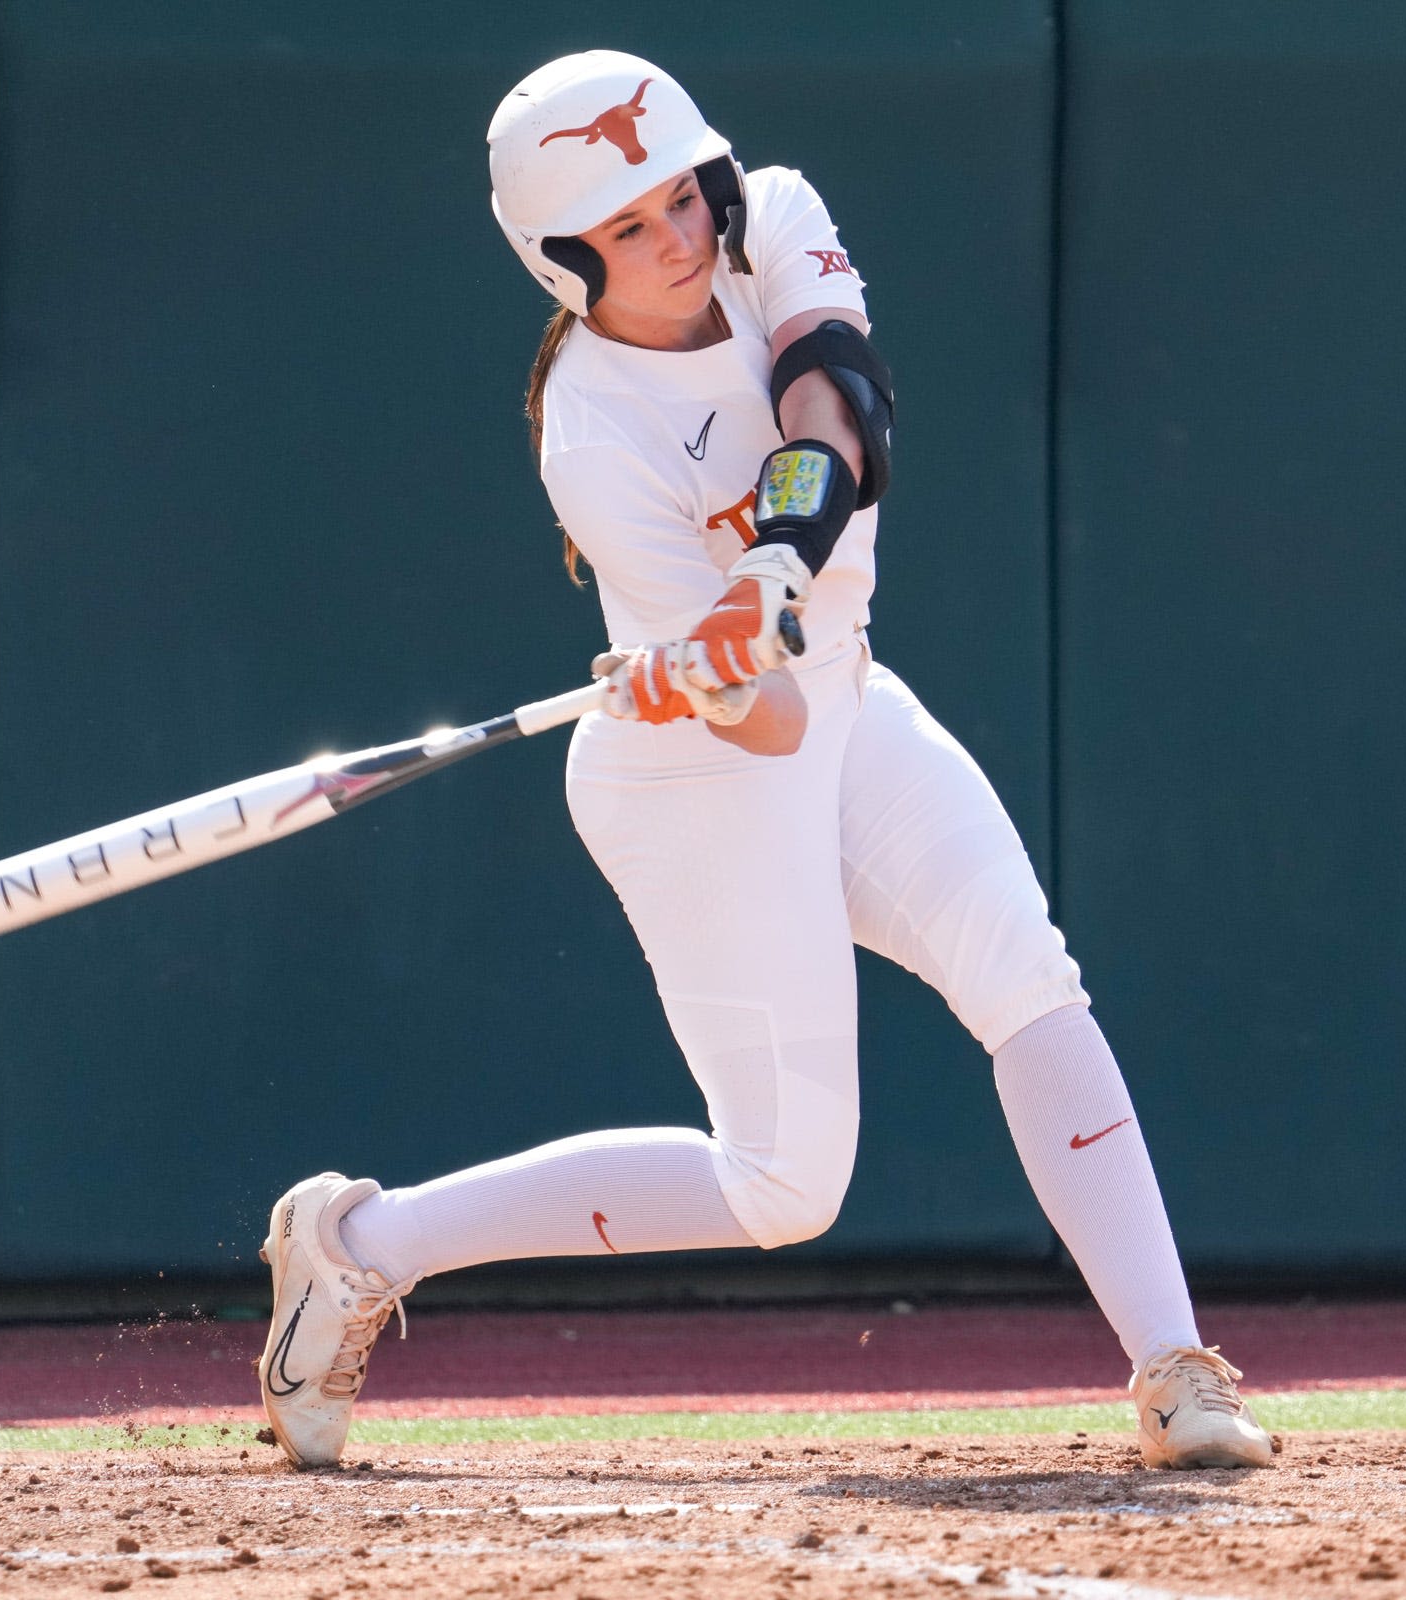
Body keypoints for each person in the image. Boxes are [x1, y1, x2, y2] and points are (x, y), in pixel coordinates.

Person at [253, 48, 1272, 1475]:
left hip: (851, 700)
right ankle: (363, 1244)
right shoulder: (593, 433)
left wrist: (770, 577)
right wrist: (717, 682)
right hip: (700, 782)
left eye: (678, 198)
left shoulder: (776, 217)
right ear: (562, 261)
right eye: (624, 228)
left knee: (1026, 978)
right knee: (788, 1187)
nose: (674, 240)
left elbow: (841, 400)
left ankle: (1177, 1371)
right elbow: (769, 730)